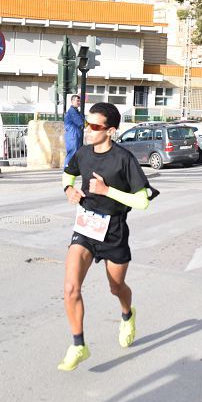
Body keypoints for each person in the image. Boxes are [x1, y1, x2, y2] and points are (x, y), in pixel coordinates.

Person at [58, 102, 153, 371]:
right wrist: (69, 190)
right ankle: (78, 345)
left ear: (110, 131)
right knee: (70, 287)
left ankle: (127, 314)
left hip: (114, 231)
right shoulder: (83, 154)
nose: (87, 130)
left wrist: (106, 190)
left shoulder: (124, 159)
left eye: (94, 126)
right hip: (86, 228)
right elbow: (68, 173)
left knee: (116, 287)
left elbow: (142, 200)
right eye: (87, 124)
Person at [63, 94, 84, 168]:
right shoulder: (72, 111)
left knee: (75, 154)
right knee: (71, 154)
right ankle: (66, 171)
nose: (79, 102)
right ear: (72, 101)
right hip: (72, 136)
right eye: (77, 101)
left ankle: (71, 170)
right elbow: (80, 122)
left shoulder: (76, 111)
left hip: (76, 135)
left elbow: (83, 121)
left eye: (79, 101)